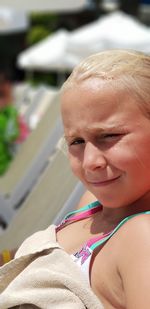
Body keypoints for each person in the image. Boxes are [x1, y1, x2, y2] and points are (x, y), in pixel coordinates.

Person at [0, 49, 150, 308]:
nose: (91, 162)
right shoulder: (92, 205)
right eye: (76, 141)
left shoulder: (142, 238)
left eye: (109, 136)